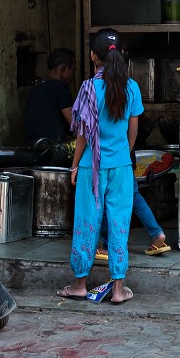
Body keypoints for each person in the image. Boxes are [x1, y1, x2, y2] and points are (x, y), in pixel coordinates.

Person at [58, 29, 142, 304]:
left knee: (87, 222)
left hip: (90, 167)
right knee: (119, 225)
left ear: (94, 56)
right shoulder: (132, 87)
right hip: (121, 166)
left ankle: (80, 285)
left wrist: (74, 166)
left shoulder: (88, 88)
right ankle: (118, 289)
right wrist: (123, 155)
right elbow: (133, 130)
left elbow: (83, 134)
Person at [23, 48, 75, 160]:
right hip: (50, 149)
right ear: (63, 69)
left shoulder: (36, 91)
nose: (73, 75)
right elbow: (74, 124)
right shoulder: (60, 88)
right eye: (72, 70)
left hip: (31, 148)